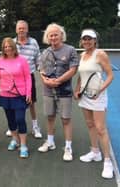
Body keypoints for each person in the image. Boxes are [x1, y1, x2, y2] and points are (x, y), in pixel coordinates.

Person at [74, 29, 114, 179]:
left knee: (100, 128)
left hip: (98, 96)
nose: (87, 41)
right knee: (90, 125)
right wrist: (77, 90)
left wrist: (100, 90)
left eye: (89, 39)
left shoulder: (101, 54)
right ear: (81, 41)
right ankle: (95, 152)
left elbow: (111, 75)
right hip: (85, 96)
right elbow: (81, 76)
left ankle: (108, 162)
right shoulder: (82, 55)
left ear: (95, 40)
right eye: (84, 39)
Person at [37, 23, 79, 161]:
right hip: (48, 91)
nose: (53, 37)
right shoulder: (45, 52)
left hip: (65, 92)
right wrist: (46, 80)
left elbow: (73, 70)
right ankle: (50, 142)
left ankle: (68, 147)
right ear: (47, 37)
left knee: (65, 119)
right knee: (50, 117)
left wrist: (58, 81)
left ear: (61, 35)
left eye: (56, 34)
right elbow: (41, 70)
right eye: (51, 35)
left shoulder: (70, 50)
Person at [0, 37, 32, 158]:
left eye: (9, 46)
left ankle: (23, 145)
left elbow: (28, 77)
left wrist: (29, 93)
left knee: (20, 119)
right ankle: (15, 140)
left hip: (20, 94)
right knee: (11, 120)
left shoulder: (22, 60)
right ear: (3, 49)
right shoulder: (1, 61)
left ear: (14, 47)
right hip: (5, 94)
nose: (7, 48)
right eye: (5, 47)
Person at [5, 20, 42, 139]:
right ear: (16, 30)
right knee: (13, 104)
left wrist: (42, 71)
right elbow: (6, 58)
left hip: (28, 78)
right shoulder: (11, 42)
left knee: (31, 103)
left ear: (27, 29)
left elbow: (38, 60)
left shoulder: (33, 42)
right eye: (19, 28)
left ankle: (35, 127)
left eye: (24, 28)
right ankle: (13, 127)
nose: (21, 30)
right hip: (13, 79)